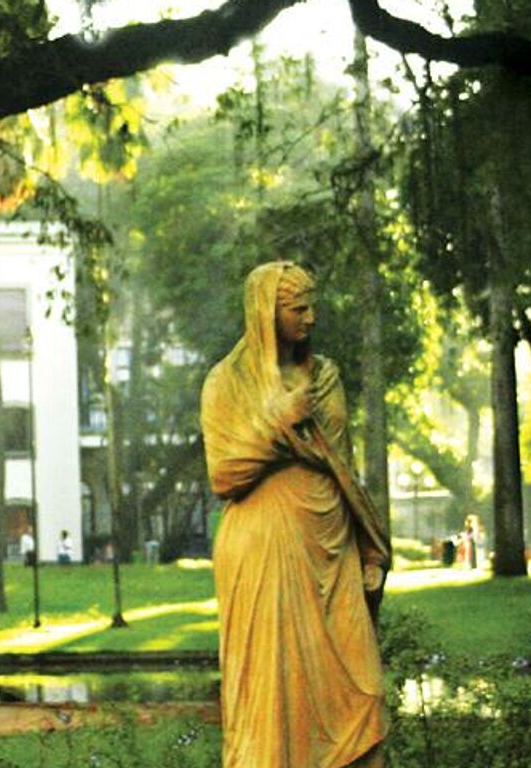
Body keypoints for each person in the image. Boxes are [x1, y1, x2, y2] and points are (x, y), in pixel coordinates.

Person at [200, 261, 388, 767]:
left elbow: (342, 466)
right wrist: (277, 426)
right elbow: (224, 475)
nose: (311, 317)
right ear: (266, 313)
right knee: (273, 694)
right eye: (297, 307)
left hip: (331, 542)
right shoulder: (228, 382)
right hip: (266, 547)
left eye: (312, 305)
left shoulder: (326, 377)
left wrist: (369, 545)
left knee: (364, 691)